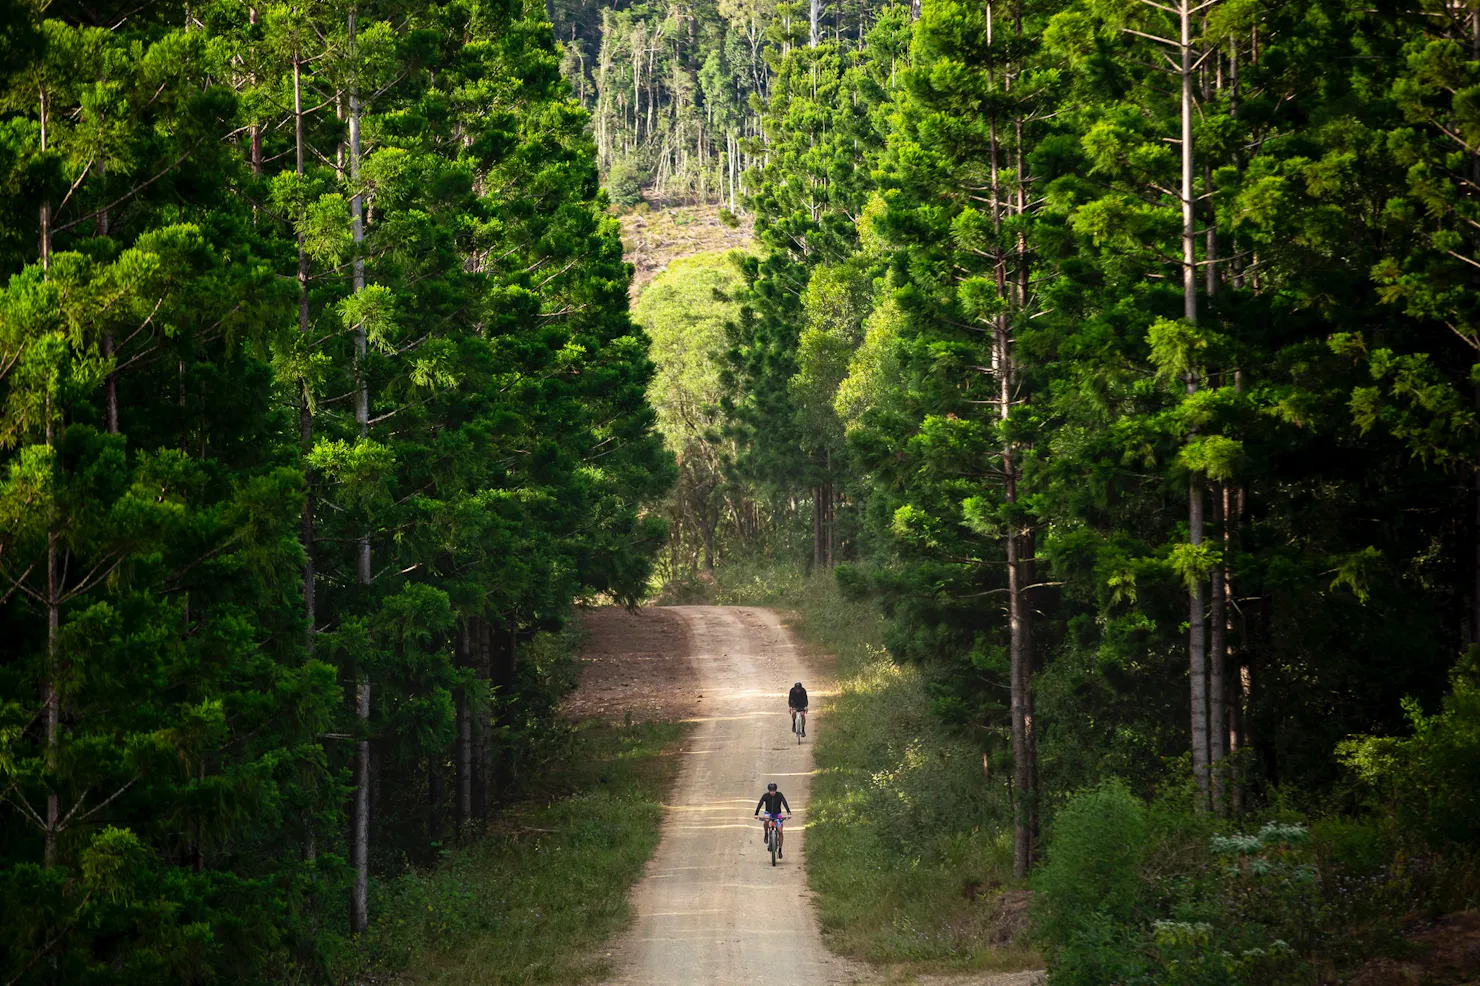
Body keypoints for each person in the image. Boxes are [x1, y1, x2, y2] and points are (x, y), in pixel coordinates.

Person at [754, 782, 791, 857]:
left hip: (777, 814)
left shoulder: (779, 795)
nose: (772, 792)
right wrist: (756, 813)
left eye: (773, 791)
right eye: (771, 791)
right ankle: (766, 834)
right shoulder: (765, 796)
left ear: (776, 790)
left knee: (780, 831)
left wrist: (789, 812)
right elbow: (760, 803)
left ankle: (780, 850)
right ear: (769, 790)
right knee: (766, 820)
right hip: (768, 813)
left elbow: (784, 802)